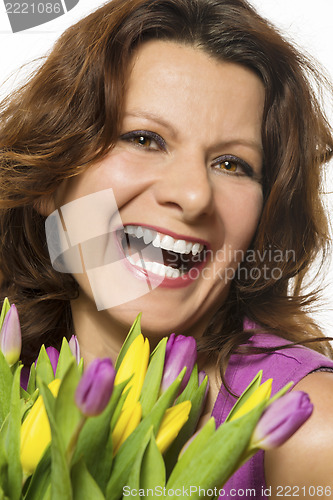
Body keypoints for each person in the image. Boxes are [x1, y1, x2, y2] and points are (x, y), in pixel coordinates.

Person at [1, 0, 333, 497]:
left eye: (232, 164)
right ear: (50, 178)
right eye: (144, 138)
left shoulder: (306, 433)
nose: (194, 195)